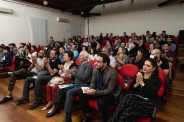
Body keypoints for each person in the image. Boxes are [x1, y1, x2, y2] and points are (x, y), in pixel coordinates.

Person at [46, 51, 93, 121]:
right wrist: (72, 73)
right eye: (79, 55)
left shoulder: (88, 66)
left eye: (81, 56)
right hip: (75, 84)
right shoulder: (80, 64)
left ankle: (68, 117)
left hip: (83, 86)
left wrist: (74, 72)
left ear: (86, 57)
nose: (79, 57)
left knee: (70, 92)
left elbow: (84, 78)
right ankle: (56, 108)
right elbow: (76, 76)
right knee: (60, 88)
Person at [80, 53, 121, 122]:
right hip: (98, 90)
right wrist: (91, 90)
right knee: (82, 94)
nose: (95, 63)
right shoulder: (95, 69)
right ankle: (88, 114)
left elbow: (109, 90)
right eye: (96, 61)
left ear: (105, 63)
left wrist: (95, 92)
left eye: (98, 62)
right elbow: (93, 82)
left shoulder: (113, 73)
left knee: (101, 102)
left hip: (111, 94)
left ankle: (106, 119)